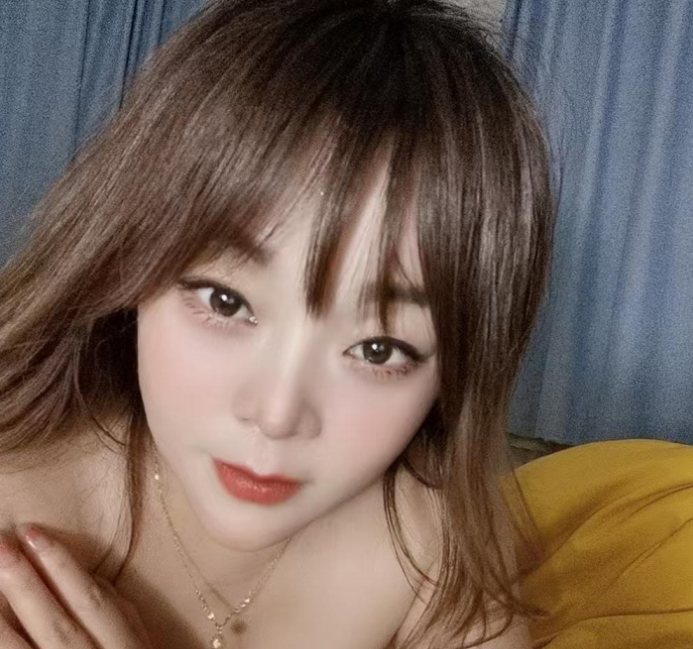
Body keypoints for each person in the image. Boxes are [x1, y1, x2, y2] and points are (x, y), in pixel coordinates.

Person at [0, 0, 554, 647]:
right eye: (225, 301)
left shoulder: (433, 551)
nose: (276, 413)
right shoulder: (18, 503)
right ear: (128, 261)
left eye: (378, 348)